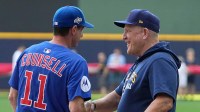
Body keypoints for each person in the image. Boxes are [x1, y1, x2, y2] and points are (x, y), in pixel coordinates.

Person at [85, 9, 181, 112]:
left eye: (128, 31)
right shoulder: (142, 61)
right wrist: (91, 106)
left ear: (144, 33)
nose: (123, 37)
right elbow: (117, 98)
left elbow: (164, 102)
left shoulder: (160, 60)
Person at [8, 6, 94, 112]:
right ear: (74, 30)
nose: (82, 35)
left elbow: (12, 96)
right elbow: (76, 109)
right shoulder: (76, 62)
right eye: (81, 30)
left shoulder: (27, 52)